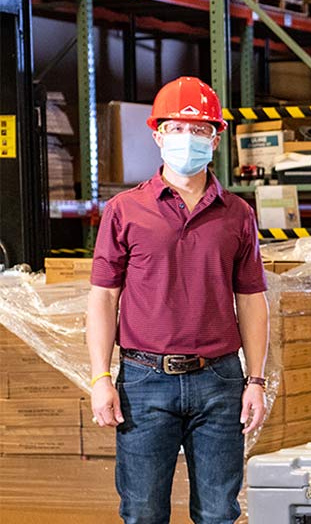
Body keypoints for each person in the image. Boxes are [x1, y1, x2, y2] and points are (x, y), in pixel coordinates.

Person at [86, 76, 269, 524]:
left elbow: (251, 300)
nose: (188, 138)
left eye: (200, 129)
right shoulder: (124, 210)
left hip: (220, 382)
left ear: (217, 137)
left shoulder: (238, 214)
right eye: (176, 128)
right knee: (143, 511)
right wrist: (99, 377)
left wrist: (256, 382)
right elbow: (104, 298)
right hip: (144, 381)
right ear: (157, 135)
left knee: (218, 512)